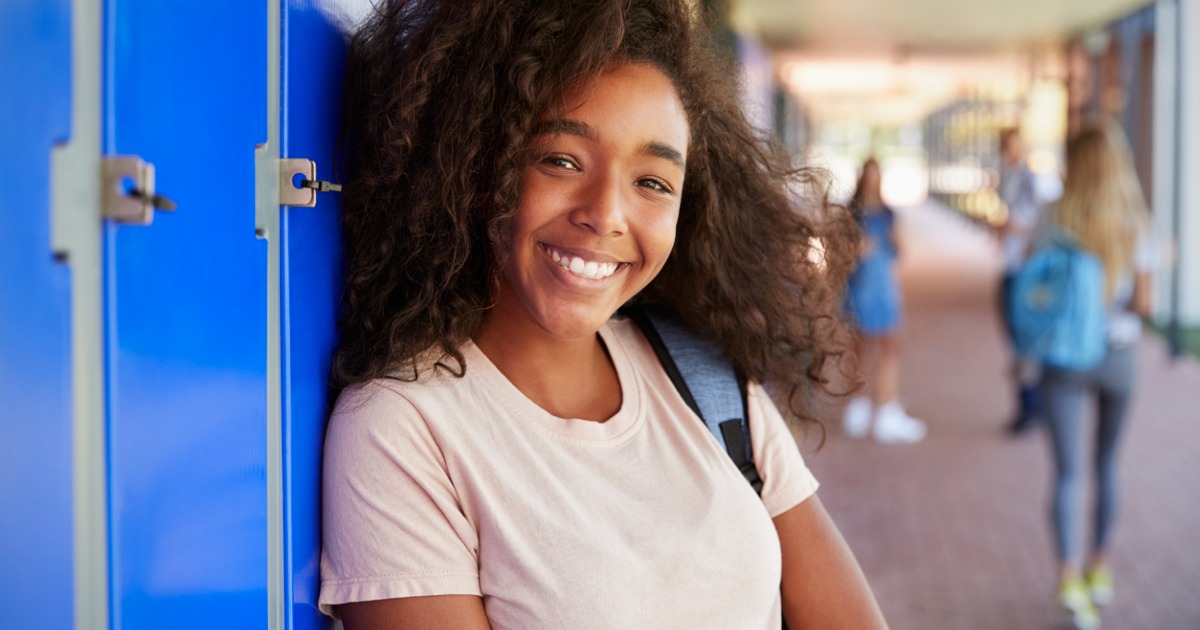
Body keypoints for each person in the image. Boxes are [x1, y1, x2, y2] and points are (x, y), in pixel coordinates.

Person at [318, 1, 887, 628]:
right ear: (476, 162)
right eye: (561, 160)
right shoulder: (403, 430)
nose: (606, 214)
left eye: (652, 182)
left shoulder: (707, 379)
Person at [1037, 122, 1153, 630]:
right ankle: (1099, 569)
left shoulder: (1053, 215)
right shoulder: (1135, 220)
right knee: (1107, 463)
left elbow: (1036, 287)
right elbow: (1144, 302)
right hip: (1119, 355)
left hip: (1063, 357)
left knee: (1067, 473)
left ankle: (1067, 576)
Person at [840, 158, 926, 444]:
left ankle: (885, 405)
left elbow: (900, 251)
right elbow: (837, 252)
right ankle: (860, 404)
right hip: (860, 288)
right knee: (860, 348)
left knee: (889, 347)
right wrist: (855, 250)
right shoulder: (851, 214)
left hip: (883, 289)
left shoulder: (888, 215)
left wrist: (894, 241)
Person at [997, 127, 1048, 434]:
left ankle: (1032, 405)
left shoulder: (1033, 180)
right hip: (1012, 266)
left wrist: (1014, 230)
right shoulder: (1013, 178)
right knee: (1016, 340)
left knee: (1024, 339)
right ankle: (1027, 403)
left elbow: (1040, 225)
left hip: (1024, 271)